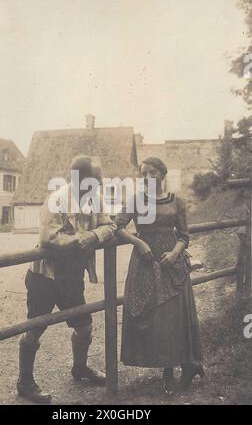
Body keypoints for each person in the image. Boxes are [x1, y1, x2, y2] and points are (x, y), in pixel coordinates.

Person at [17, 155, 116, 403]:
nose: (102, 181)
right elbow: (49, 238)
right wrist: (78, 240)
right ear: (81, 179)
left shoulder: (97, 199)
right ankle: (25, 383)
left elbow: (110, 226)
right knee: (35, 328)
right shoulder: (57, 200)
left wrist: (92, 235)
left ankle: (80, 369)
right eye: (97, 178)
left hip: (72, 276)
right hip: (45, 276)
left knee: (84, 327)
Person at [115, 157, 204, 395]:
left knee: (171, 317)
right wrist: (138, 242)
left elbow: (184, 236)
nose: (147, 178)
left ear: (163, 175)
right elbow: (118, 226)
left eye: (152, 173)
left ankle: (175, 370)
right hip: (144, 261)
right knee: (151, 315)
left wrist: (175, 254)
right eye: (143, 174)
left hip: (170, 263)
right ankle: (164, 367)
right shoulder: (136, 200)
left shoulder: (177, 202)